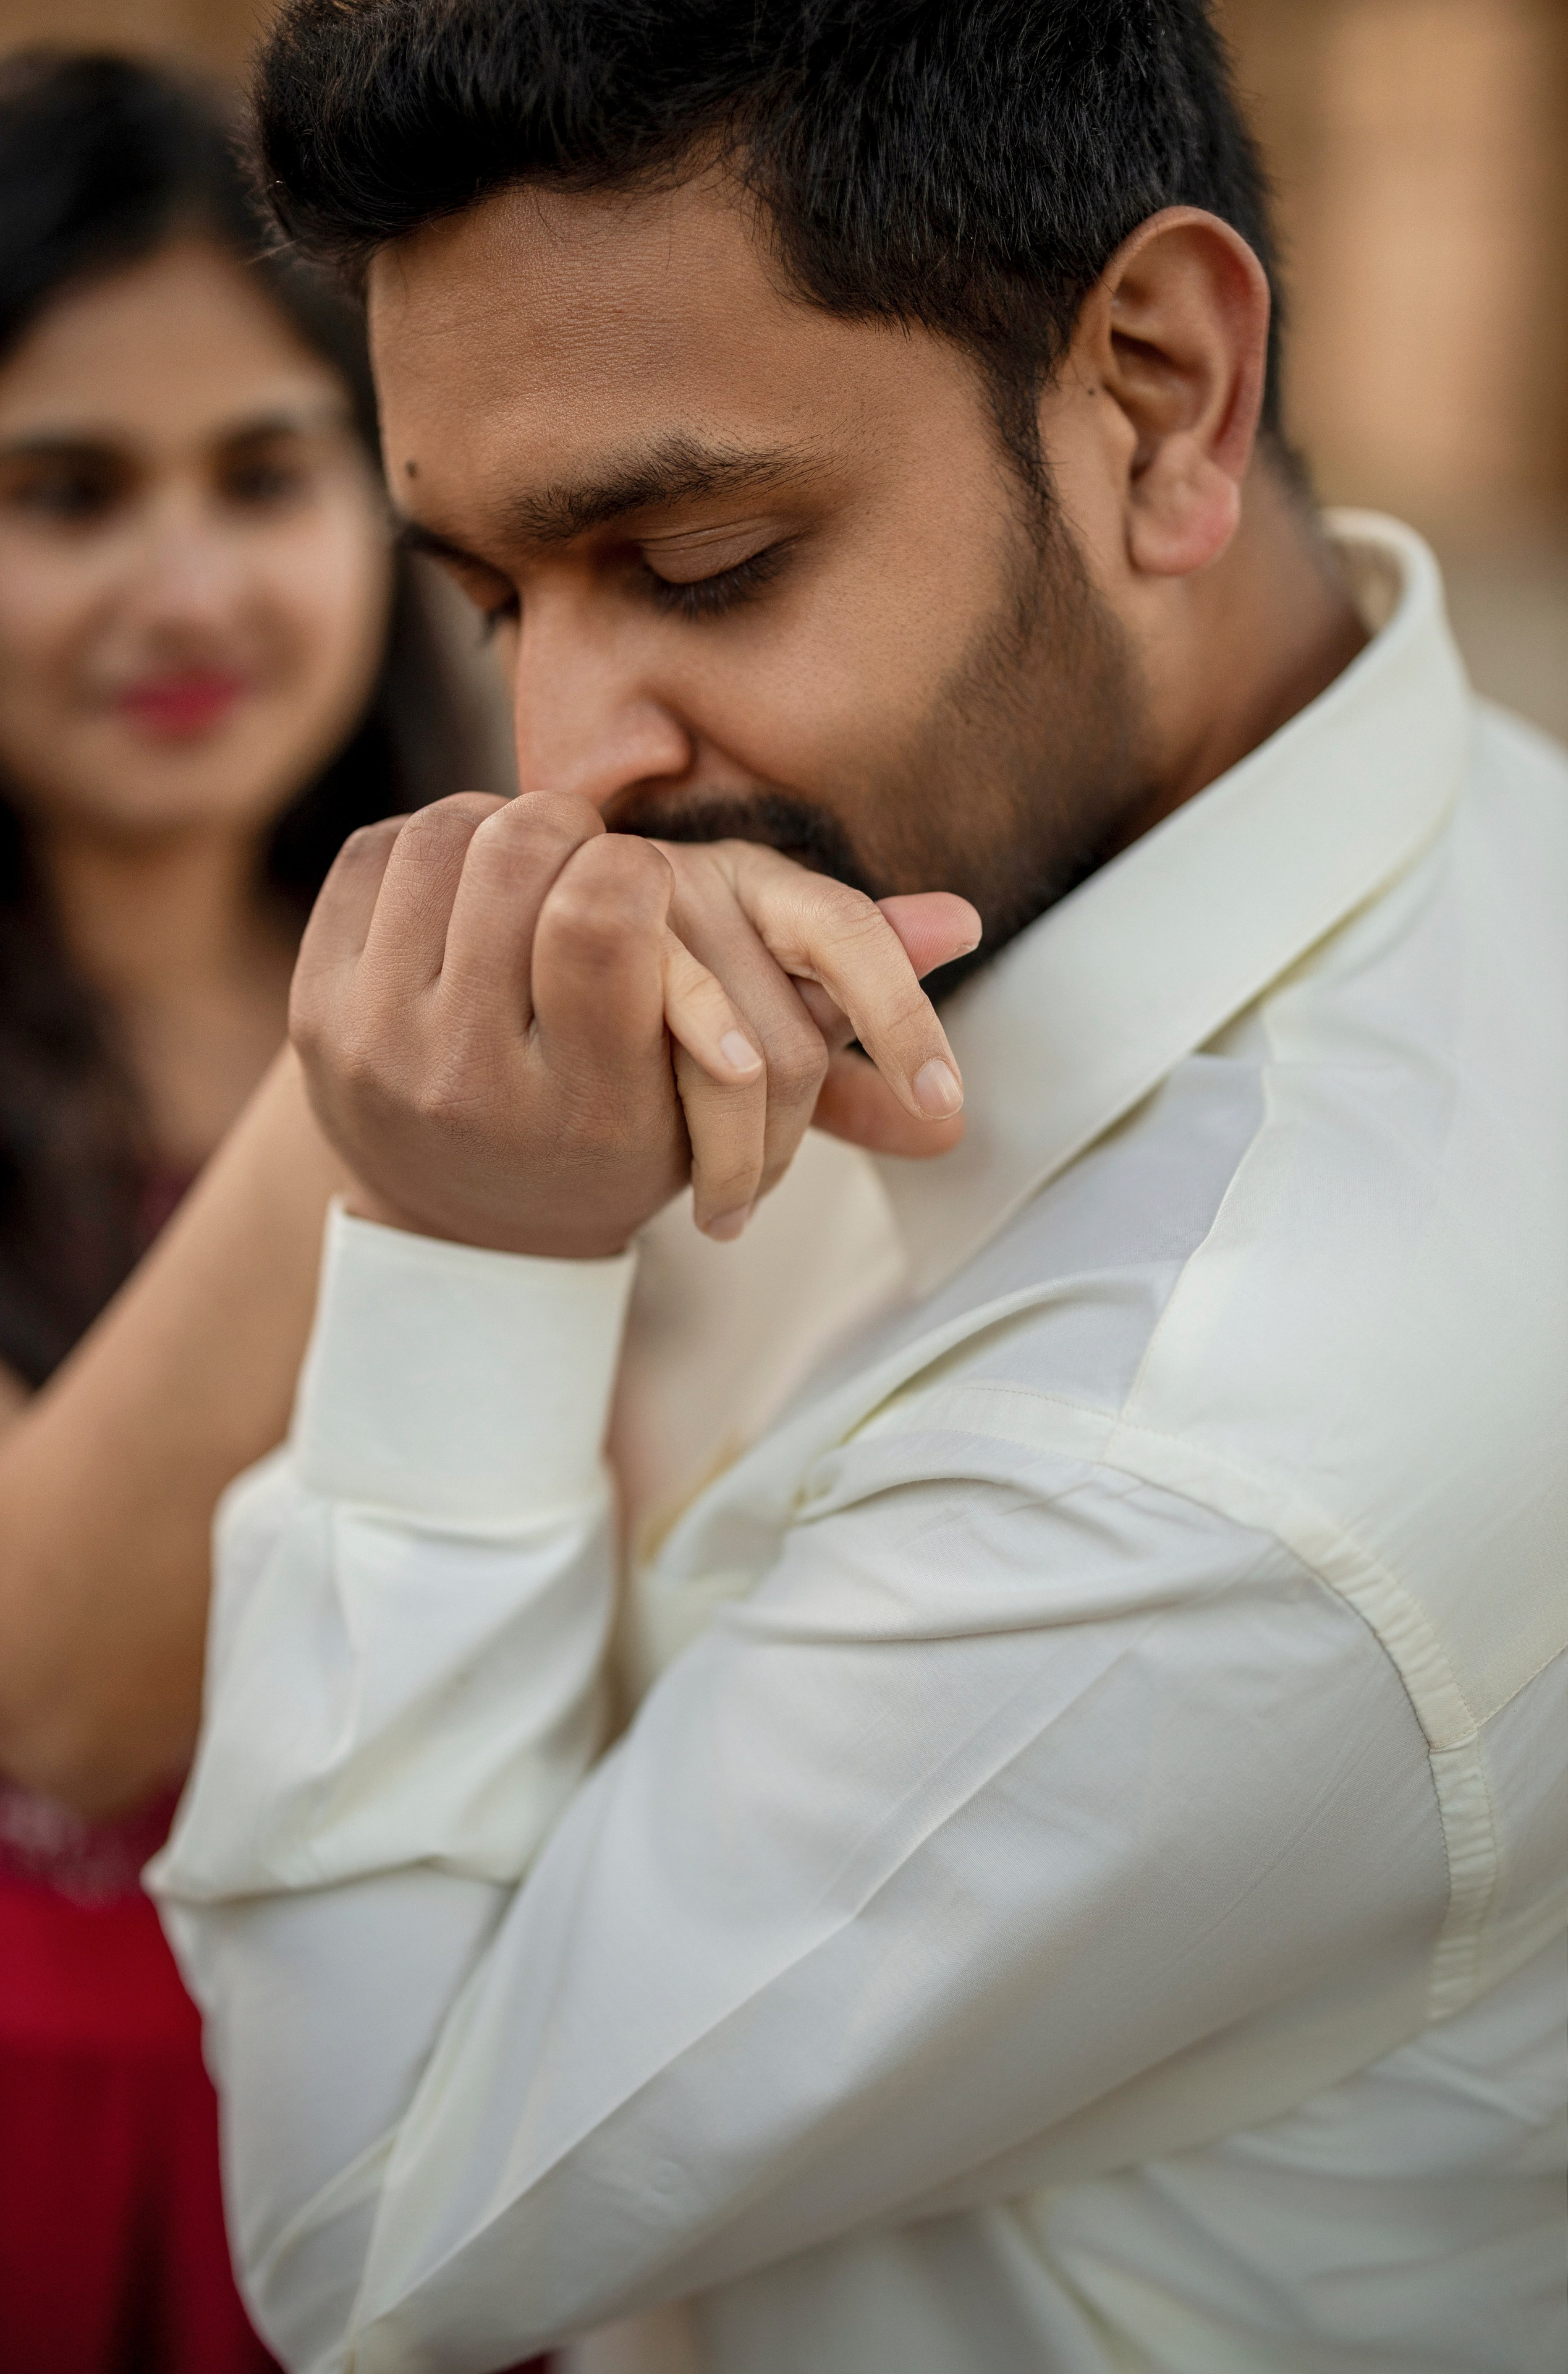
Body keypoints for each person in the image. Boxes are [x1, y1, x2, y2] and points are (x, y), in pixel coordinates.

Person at [151, 3, 1567, 2370]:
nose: (565, 769)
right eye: (498, 603)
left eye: (698, 558)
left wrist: (467, 1255)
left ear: (1156, 394)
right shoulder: (1379, 847)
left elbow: (366, 2234)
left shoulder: (1200, 1455)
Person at [0, 48, 497, 2372]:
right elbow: (62, 1700)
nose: (185, 587)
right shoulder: (421, 1033)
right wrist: (387, 1052)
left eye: (267, 475)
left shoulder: (452, 986)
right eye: (65, 491)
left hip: (409, 2113)